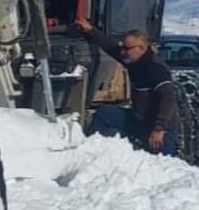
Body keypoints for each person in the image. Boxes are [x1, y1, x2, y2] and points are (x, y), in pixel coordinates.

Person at [75, 18, 179, 155]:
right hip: (138, 121)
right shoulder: (133, 61)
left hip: (159, 130)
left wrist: (159, 128)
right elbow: (111, 47)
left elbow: (168, 99)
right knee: (104, 113)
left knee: (159, 165)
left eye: (127, 48)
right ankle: (89, 151)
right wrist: (91, 30)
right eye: (123, 47)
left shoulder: (156, 68)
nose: (123, 51)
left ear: (142, 48)